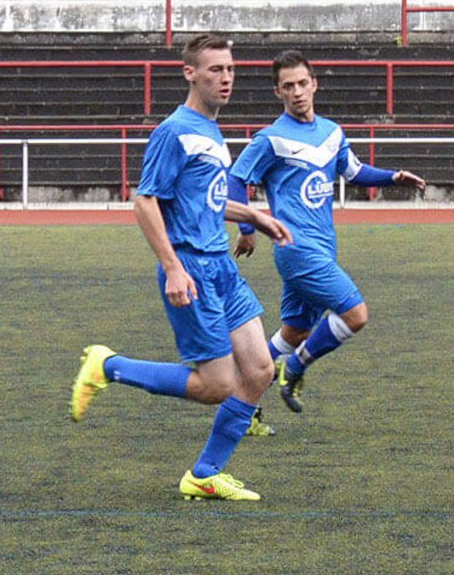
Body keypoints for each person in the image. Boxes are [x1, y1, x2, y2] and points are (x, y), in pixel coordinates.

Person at [68, 34, 291, 501]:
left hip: (222, 269)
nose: (226, 78)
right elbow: (145, 202)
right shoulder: (174, 130)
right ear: (190, 73)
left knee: (259, 371)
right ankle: (108, 366)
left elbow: (202, 201)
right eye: (215, 70)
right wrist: (171, 267)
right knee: (216, 385)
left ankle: (205, 473)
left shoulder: (210, 129)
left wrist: (250, 215)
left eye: (230, 69)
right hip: (190, 266)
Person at [230, 50, 426, 413]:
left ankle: (241, 404)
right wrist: (247, 227)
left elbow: (353, 172)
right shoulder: (271, 139)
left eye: (303, 83)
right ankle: (296, 368)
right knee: (355, 315)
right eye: (288, 86)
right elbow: (236, 178)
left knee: (294, 333)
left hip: (322, 248)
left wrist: (393, 177)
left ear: (314, 84)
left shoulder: (331, 133)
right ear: (278, 93)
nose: (298, 92)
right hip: (295, 250)